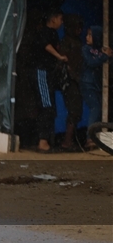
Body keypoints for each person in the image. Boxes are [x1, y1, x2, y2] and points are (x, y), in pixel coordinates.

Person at [33, 10, 68, 153]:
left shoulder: (54, 34)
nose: (62, 22)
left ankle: (47, 140)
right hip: (42, 72)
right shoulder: (45, 32)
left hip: (50, 74)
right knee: (46, 106)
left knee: (51, 106)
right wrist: (59, 56)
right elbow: (46, 45)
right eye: (60, 19)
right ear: (53, 19)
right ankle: (42, 141)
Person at [59, 15, 84, 149]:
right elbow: (65, 63)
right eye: (77, 27)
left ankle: (69, 140)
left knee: (76, 110)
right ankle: (67, 141)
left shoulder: (76, 42)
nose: (79, 30)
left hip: (76, 80)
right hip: (70, 81)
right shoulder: (67, 42)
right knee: (74, 110)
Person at [81, 26, 112, 132]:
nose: (87, 37)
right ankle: (90, 136)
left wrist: (107, 55)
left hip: (97, 85)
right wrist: (104, 56)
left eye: (90, 35)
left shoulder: (100, 50)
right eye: (87, 34)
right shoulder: (86, 49)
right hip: (87, 84)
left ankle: (96, 134)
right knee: (95, 107)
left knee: (100, 109)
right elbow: (91, 62)